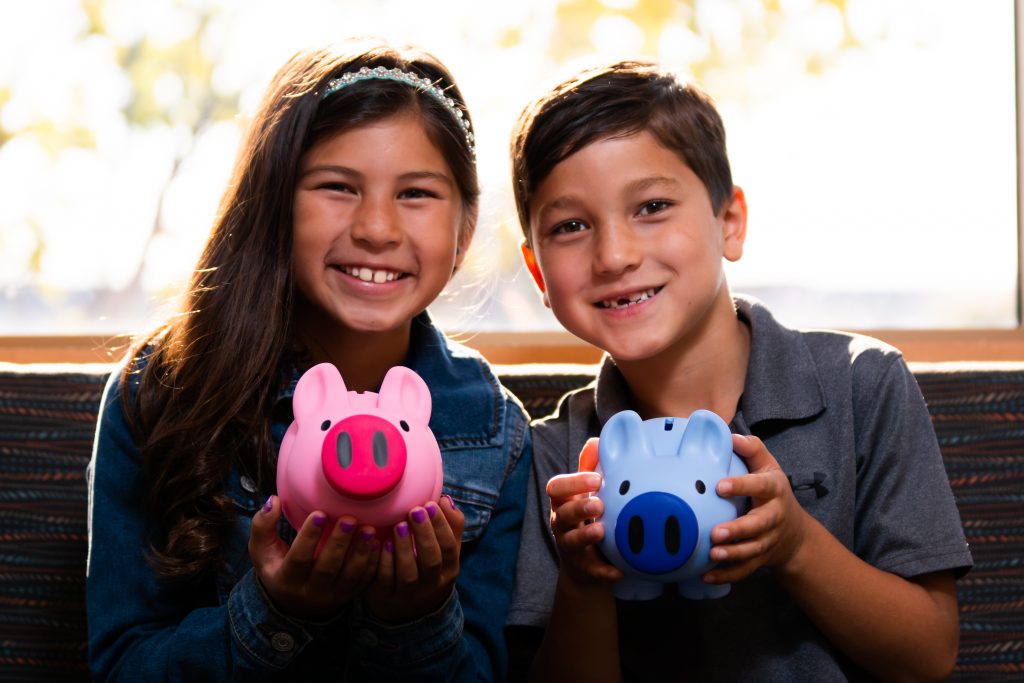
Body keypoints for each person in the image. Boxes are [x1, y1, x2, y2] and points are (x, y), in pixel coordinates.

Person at [504, 60, 971, 682]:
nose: (614, 255)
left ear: (729, 221)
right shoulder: (557, 454)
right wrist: (584, 579)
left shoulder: (864, 383)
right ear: (538, 274)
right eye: (571, 226)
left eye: (651, 206)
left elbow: (928, 656)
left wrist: (797, 544)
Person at [86, 41, 531, 681]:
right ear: (276, 207)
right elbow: (121, 666)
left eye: (416, 194)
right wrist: (275, 611)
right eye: (337, 187)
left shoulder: (495, 430)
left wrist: (415, 619)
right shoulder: (165, 387)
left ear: (462, 232)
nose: (377, 228)